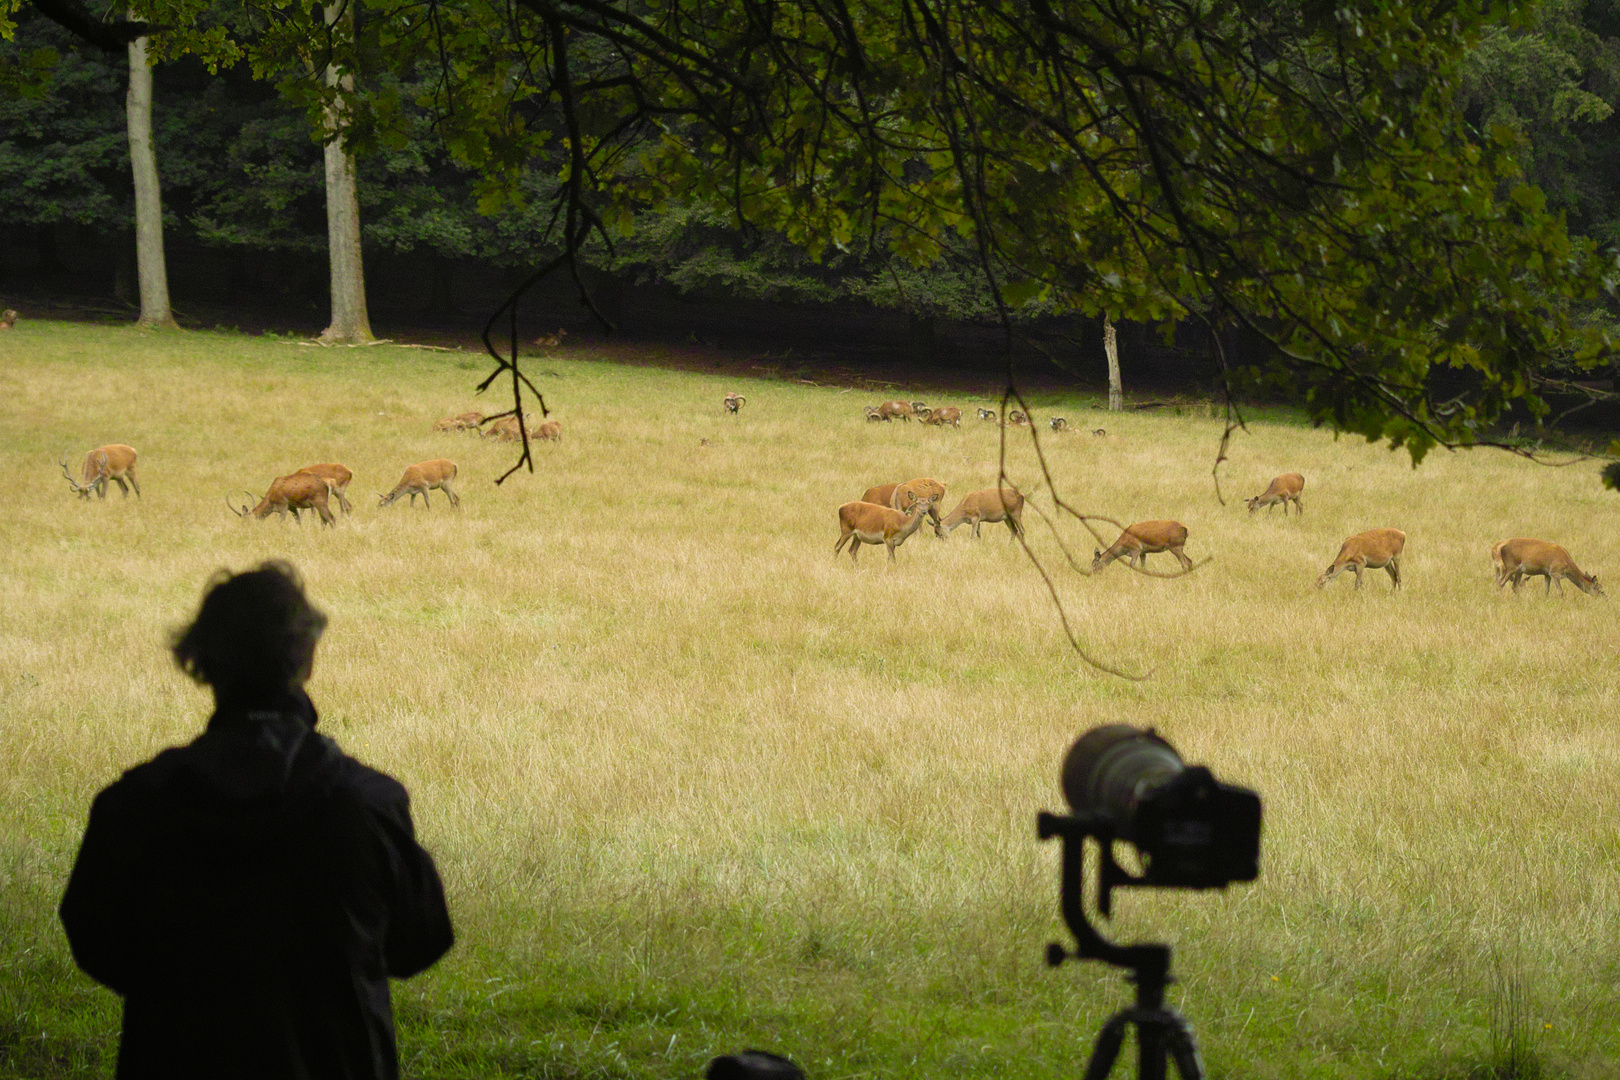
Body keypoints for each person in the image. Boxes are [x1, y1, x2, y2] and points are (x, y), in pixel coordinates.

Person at [60, 560, 453, 1079]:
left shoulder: (133, 804)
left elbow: (95, 939)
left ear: (199, 662)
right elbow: (420, 941)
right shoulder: (368, 803)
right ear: (306, 658)